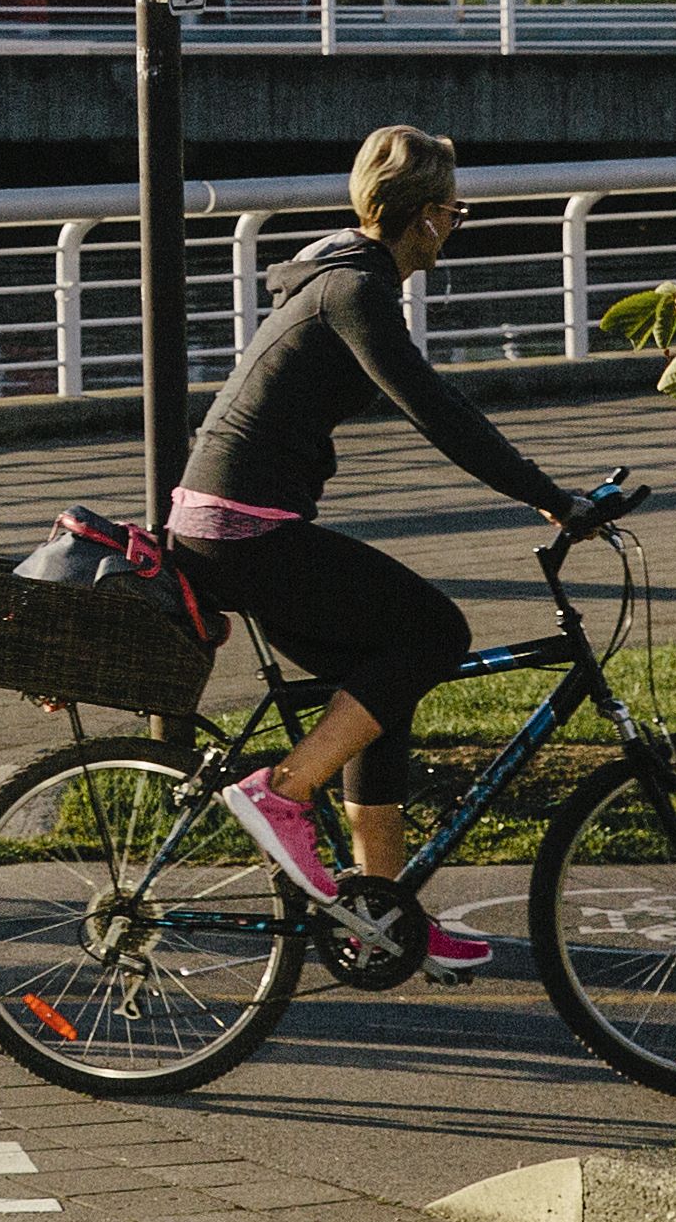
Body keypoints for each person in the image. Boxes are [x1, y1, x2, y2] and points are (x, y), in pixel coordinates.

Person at [172, 122, 604, 980]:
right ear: (426, 217)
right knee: (436, 633)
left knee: (384, 675)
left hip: (228, 521)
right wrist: (553, 499)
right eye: (455, 210)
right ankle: (283, 791)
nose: (457, 224)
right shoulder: (355, 290)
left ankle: (383, 910)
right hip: (245, 530)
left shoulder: (338, 273)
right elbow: (438, 413)